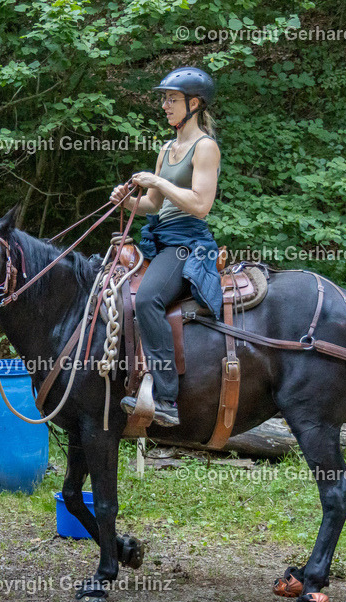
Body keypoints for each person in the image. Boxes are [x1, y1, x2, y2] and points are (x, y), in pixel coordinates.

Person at [111, 66, 223, 427]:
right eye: (164, 99)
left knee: (147, 298)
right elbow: (153, 205)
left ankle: (166, 398)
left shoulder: (205, 147)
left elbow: (201, 205)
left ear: (194, 103)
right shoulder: (167, 149)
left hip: (188, 243)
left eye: (172, 99)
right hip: (161, 238)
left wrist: (157, 179)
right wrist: (127, 202)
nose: (164, 105)